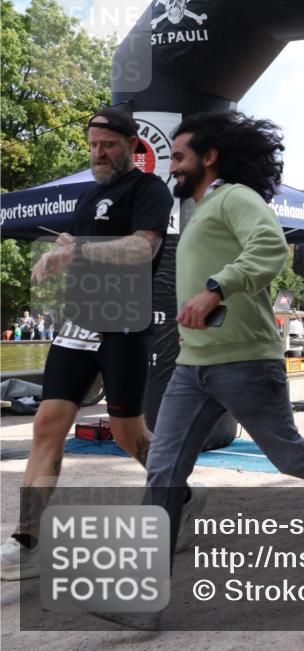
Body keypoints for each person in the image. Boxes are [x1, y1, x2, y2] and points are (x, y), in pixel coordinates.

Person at [133, 113, 304, 630]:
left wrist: (215, 289)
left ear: (209, 158)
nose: (173, 165)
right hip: (192, 366)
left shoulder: (235, 198)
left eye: (179, 156)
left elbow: (271, 249)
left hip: (246, 360)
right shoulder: (200, 209)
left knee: (289, 454)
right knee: (163, 469)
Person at [1, 107, 205, 582]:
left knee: (126, 433)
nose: (98, 152)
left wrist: (80, 249)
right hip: (79, 322)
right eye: (93, 144)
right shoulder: (89, 194)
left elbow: (143, 248)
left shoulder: (149, 189)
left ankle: (183, 495)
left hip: (125, 324)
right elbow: (84, 243)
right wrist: (60, 251)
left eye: (108, 144)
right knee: (47, 425)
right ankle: (27, 540)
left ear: (132, 145)